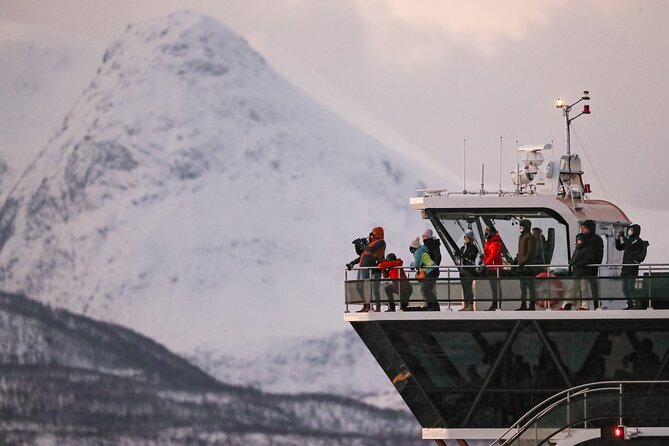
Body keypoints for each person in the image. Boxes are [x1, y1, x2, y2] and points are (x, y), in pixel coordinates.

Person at [347, 226, 386, 312]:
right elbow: (361, 256)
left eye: (372, 234)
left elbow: (370, 249)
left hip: (373, 269)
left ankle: (377, 308)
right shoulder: (369, 244)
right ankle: (366, 305)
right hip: (363, 268)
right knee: (359, 286)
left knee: (375, 289)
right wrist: (352, 263)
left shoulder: (381, 242)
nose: (371, 236)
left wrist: (362, 245)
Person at [615, 224, 648, 309]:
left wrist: (623, 236)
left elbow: (630, 245)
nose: (630, 231)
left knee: (630, 286)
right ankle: (630, 304)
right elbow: (619, 247)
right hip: (625, 266)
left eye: (632, 230)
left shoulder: (637, 240)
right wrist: (617, 240)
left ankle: (637, 304)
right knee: (624, 287)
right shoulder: (629, 240)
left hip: (632, 267)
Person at [410, 236, 440, 311]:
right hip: (432, 271)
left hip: (432, 271)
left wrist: (412, 264)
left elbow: (416, 264)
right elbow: (423, 264)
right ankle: (430, 305)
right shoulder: (422, 251)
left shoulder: (418, 252)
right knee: (426, 289)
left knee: (426, 289)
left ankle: (434, 306)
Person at [514, 219, 537, 311]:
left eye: (522, 226)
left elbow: (530, 252)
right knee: (523, 287)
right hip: (522, 266)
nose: (520, 228)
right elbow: (521, 252)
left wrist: (523, 261)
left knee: (531, 287)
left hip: (528, 267)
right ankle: (523, 304)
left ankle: (532, 305)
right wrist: (517, 260)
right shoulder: (521, 237)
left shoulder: (529, 237)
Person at [580, 220, 603, 309]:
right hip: (583, 267)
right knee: (583, 287)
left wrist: (596, 264)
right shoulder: (581, 238)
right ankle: (584, 305)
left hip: (592, 267)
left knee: (594, 287)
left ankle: (597, 305)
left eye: (585, 228)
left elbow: (599, 253)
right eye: (582, 228)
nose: (583, 230)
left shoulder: (597, 239)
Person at [567, 233, 593, 310]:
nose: (579, 241)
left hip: (584, 273)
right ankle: (566, 305)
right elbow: (572, 259)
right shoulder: (577, 249)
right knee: (571, 289)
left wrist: (577, 264)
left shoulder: (587, 249)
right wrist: (571, 263)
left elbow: (588, 260)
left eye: (580, 240)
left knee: (584, 290)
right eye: (578, 240)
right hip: (576, 273)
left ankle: (585, 306)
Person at [482, 226, 503, 311]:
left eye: (487, 231)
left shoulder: (496, 243)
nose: (486, 233)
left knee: (496, 287)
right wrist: (484, 262)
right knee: (494, 288)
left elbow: (493, 254)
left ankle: (497, 305)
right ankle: (494, 304)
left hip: (495, 268)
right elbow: (487, 254)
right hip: (491, 268)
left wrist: (486, 263)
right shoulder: (489, 243)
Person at [456, 231, 479, 311]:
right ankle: (466, 304)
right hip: (463, 269)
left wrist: (463, 255)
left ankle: (470, 304)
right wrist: (457, 254)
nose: (465, 239)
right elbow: (459, 257)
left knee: (468, 287)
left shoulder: (473, 248)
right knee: (464, 287)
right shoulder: (463, 248)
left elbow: (471, 257)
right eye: (465, 237)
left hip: (469, 270)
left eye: (467, 237)